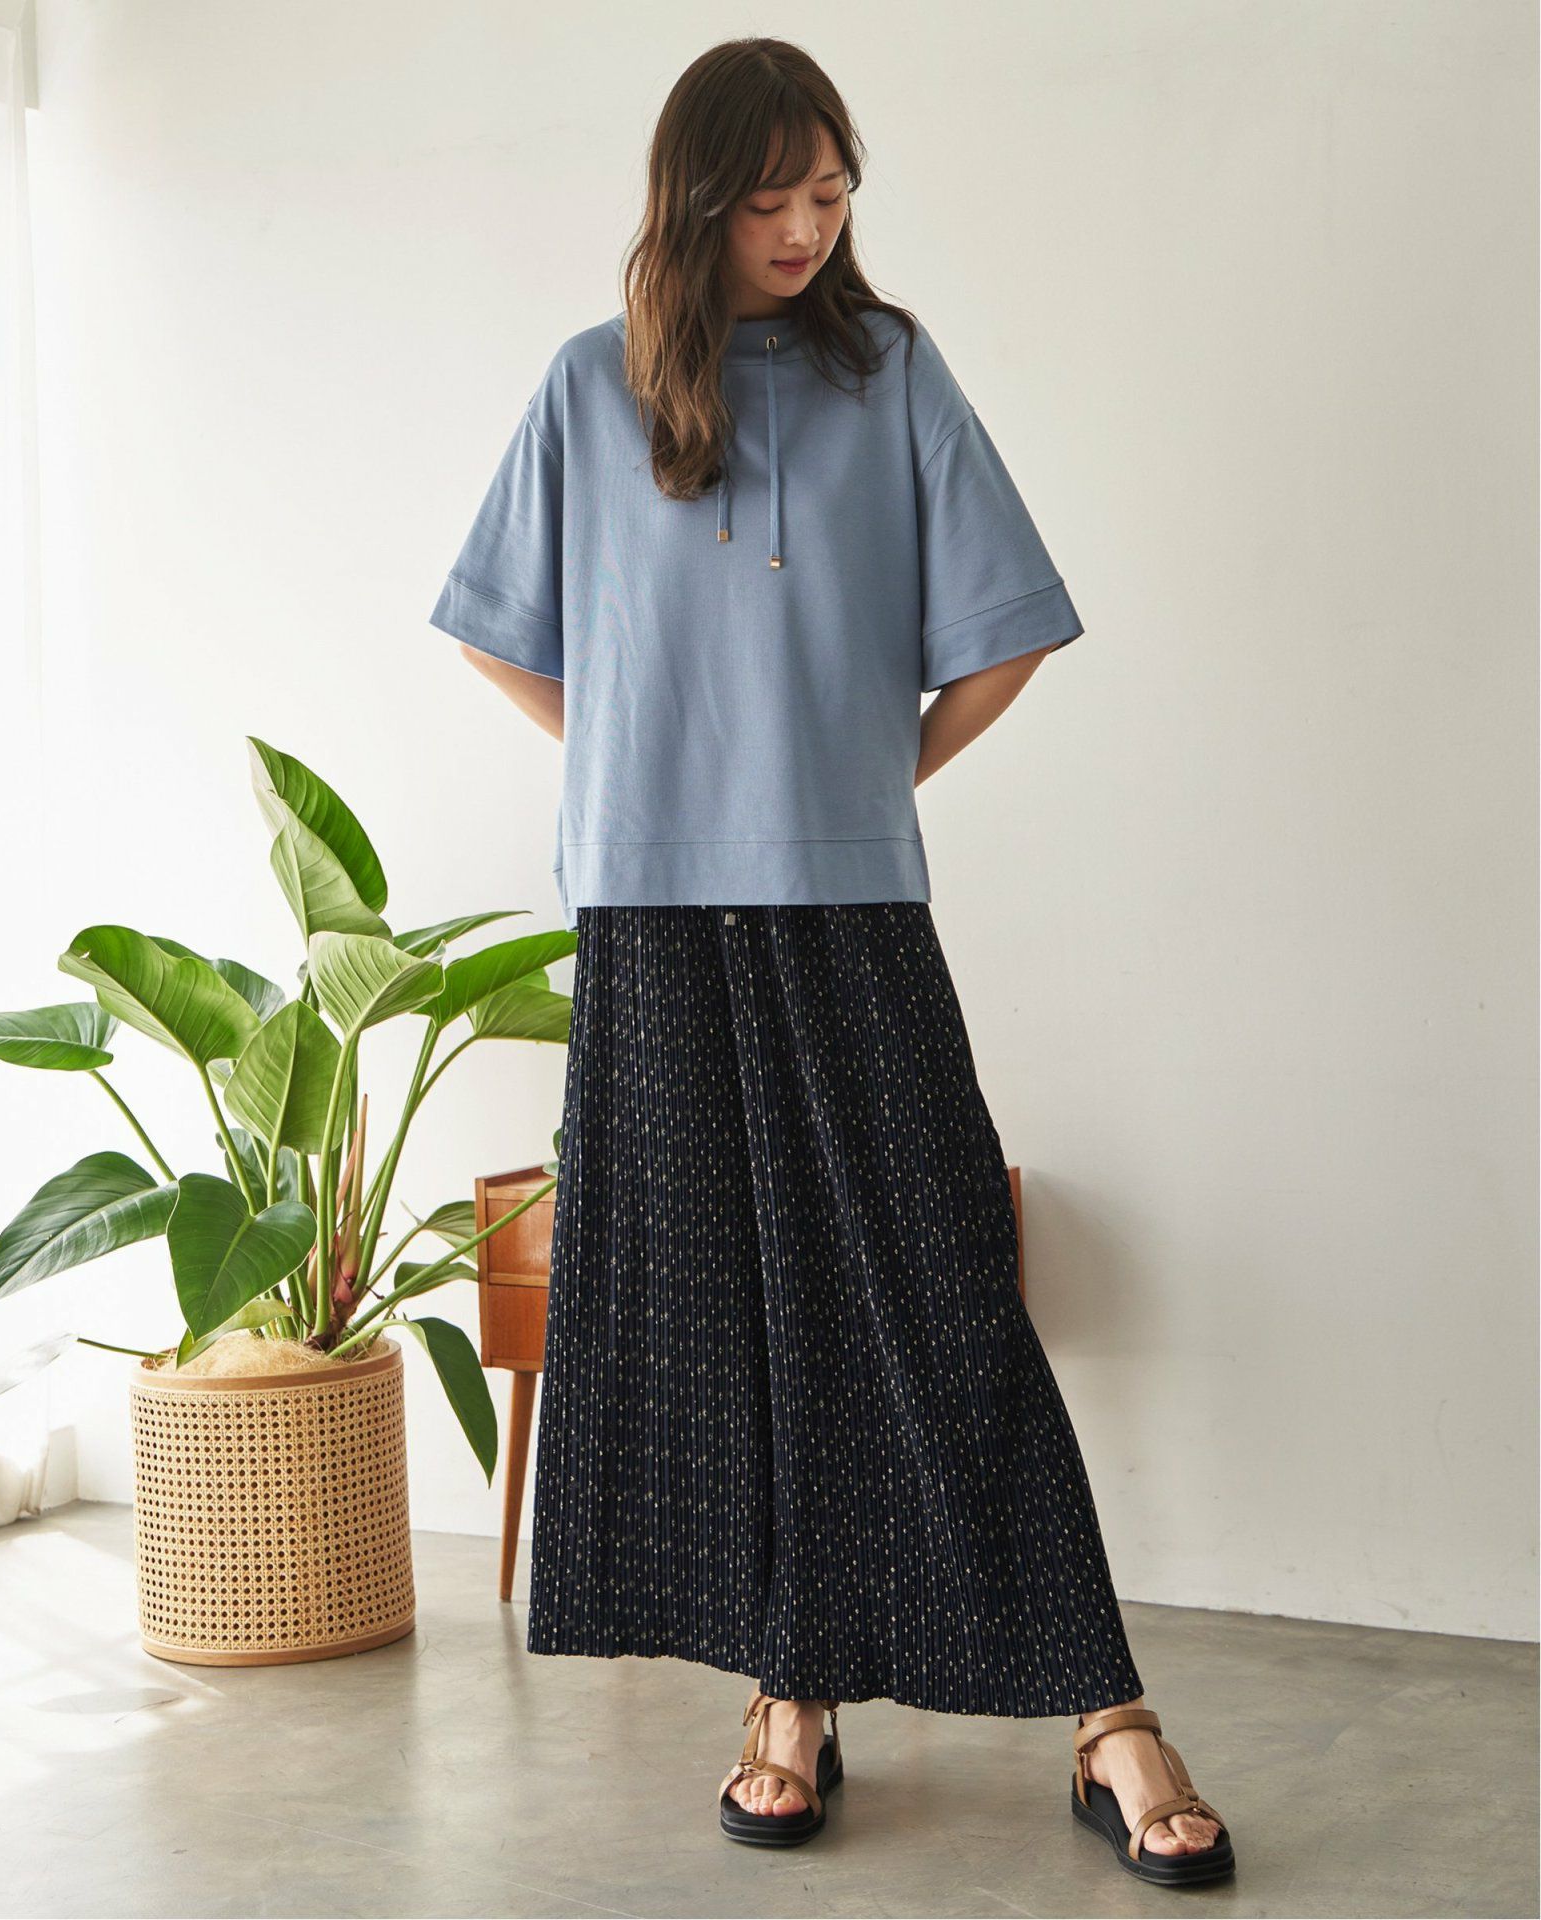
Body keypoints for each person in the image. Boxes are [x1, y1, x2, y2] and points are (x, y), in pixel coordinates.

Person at [428, 36, 1234, 1888]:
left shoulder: (892, 373)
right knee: (715, 1321)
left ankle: (1109, 1714)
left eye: (833, 193)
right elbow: (494, 630)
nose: (808, 227)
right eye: (775, 198)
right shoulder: (588, 385)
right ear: (696, 200)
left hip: (849, 903)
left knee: (940, 1297)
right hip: (647, 913)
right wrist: (644, 770)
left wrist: (859, 783)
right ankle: (788, 1697)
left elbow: (1012, 629)